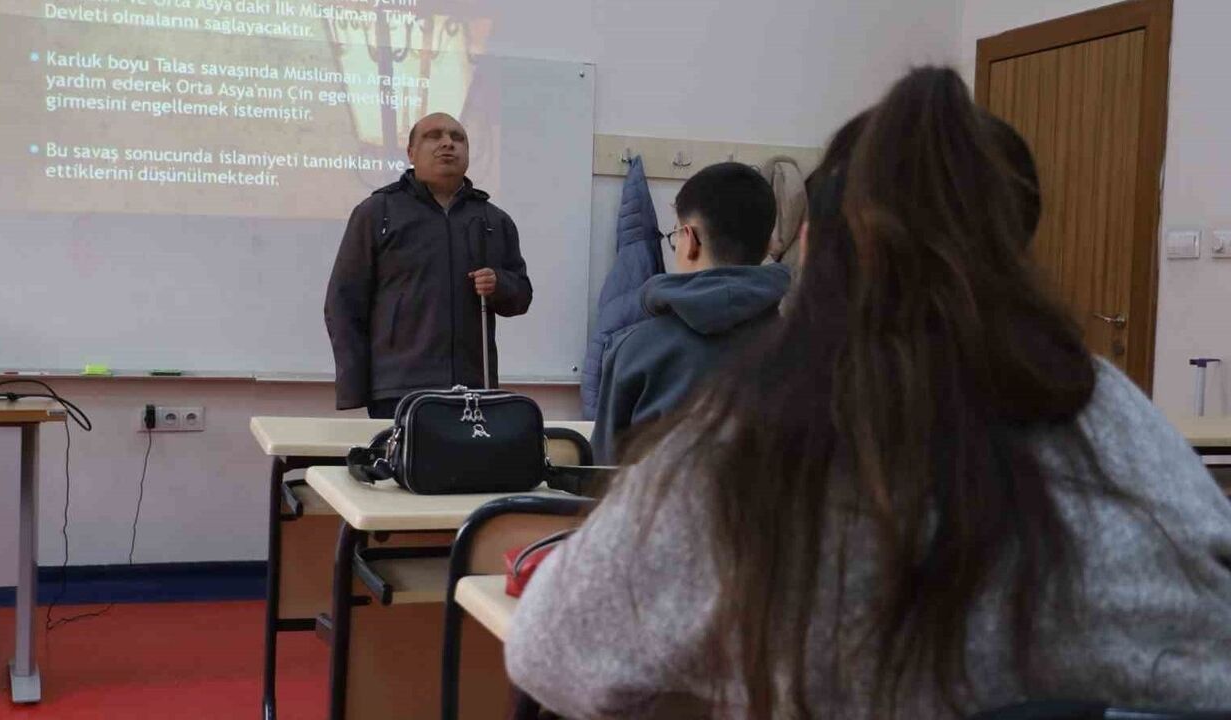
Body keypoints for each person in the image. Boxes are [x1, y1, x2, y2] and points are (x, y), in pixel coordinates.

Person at [507, 67, 1231, 718]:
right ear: (1015, 246)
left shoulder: (751, 431)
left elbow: (550, 657)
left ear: (817, 247)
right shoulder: (1113, 409)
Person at [325, 113, 532, 418]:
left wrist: (500, 284)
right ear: (410, 153)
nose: (448, 143)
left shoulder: (493, 220)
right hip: (397, 389)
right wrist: (355, 387)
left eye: (457, 137)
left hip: (474, 387)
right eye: (433, 136)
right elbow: (343, 304)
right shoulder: (377, 212)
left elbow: (522, 295)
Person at [590, 162, 790, 464]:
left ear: (690, 239)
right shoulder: (809, 352)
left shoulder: (635, 350)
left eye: (675, 236)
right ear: (767, 246)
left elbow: (603, 473)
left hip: (655, 511)